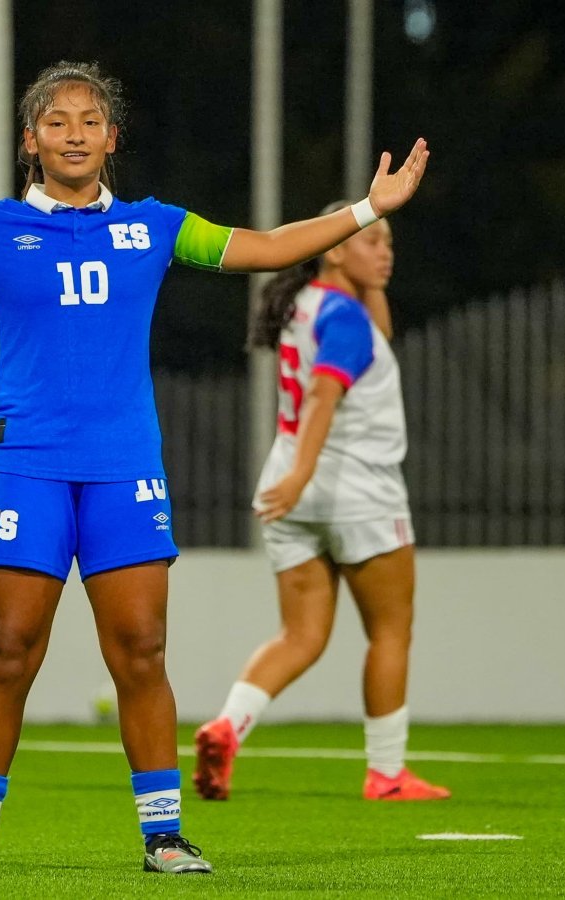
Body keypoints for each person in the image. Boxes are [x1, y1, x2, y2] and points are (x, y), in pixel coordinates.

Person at [0, 60, 429, 875]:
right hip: (26, 466)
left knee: (140, 649)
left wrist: (371, 206)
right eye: (56, 121)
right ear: (30, 140)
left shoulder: (154, 227)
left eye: (89, 121)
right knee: (9, 648)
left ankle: (163, 835)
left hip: (124, 467)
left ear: (112, 139)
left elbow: (268, 248)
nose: (74, 134)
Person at [193, 202, 450, 803]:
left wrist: (296, 478)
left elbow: (376, 339)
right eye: (373, 239)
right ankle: (387, 774)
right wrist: (306, 473)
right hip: (352, 488)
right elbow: (325, 395)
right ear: (334, 248)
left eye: (389, 241)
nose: (386, 250)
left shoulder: (306, 307)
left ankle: (228, 726)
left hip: (289, 489)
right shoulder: (345, 317)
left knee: (300, 635)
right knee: (390, 631)